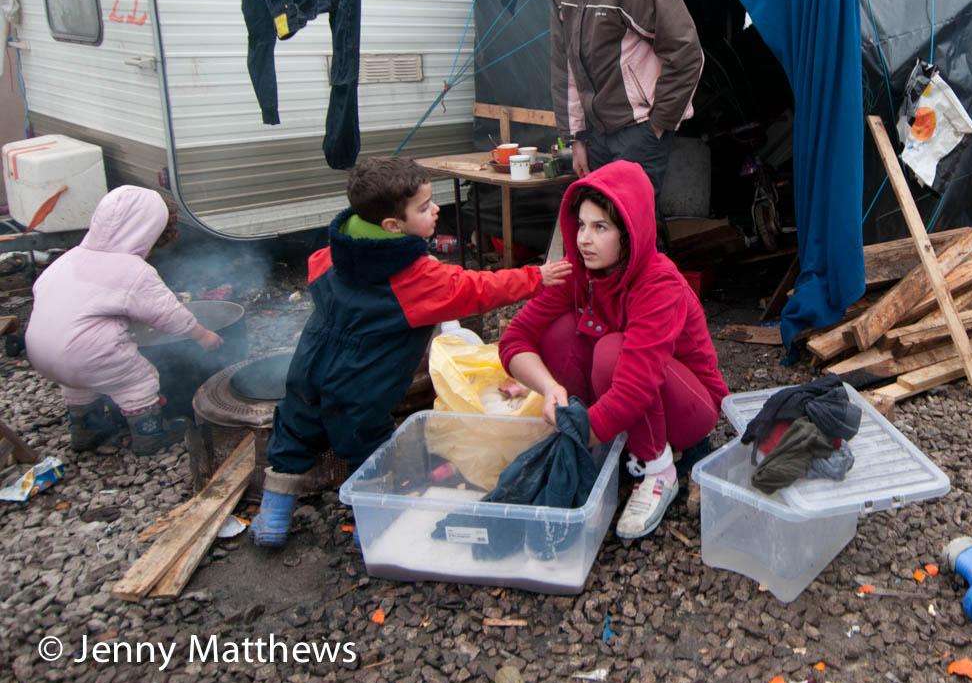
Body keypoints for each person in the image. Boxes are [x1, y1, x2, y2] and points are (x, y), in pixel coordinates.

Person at [251, 156, 570, 547]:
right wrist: (537, 276)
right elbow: (477, 289)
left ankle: (273, 519)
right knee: (368, 447)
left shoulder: (335, 249)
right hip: (362, 383)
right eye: (424, 207)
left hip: (308, 366)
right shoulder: (417, 278)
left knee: (293, 430)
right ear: (392, 226)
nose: (436, 209)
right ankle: (372, 521)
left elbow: (315, 270)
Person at [499, 160, 727, 540]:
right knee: (561, 334)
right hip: (628, 403)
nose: (584, 239)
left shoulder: (658, 283)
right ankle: (611, 444)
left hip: (689, 409)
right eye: (582, 225)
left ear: (629, 234)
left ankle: (658, 469)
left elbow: (635, 386)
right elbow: (515, 339)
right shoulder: (579, 272)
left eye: (600, 227)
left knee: (612, 350)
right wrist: (550, 389)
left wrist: (577, 433)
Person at [25, 186, 224, 456]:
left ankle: (87, 429)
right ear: (147, 231)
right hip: (86, 354)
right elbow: (166, 312)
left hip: (41, 352)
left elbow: (46, 293)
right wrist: (201, 334)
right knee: (137, 379)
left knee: (79, 382)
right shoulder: (132, 270)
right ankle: (150, 433)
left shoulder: (67, 259)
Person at [547, 0, 704, 198]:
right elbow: (566, 68)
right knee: (606, 226)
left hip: (640, 131)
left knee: (637, 228)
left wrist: (658, 124)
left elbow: (687, 54)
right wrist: (576, 138)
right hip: (596, 134)